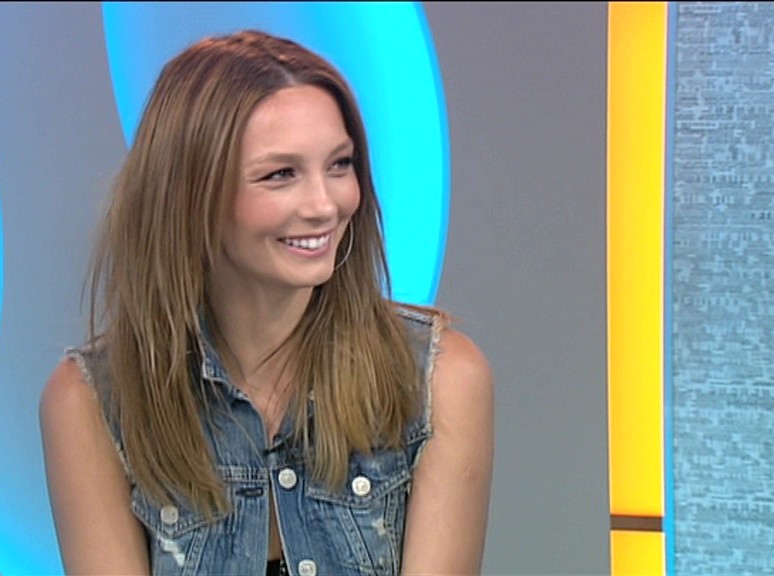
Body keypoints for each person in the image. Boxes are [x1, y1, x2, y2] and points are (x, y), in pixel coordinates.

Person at [39, 29, 493, 576]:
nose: (325, 205)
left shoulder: (440, 380)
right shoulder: (92, 402)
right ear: (190, 195)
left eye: (340, 164)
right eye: (281, 175)